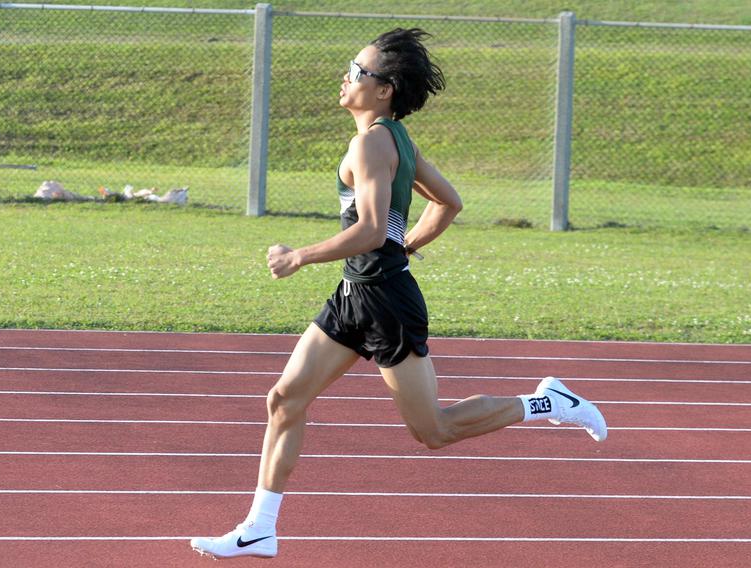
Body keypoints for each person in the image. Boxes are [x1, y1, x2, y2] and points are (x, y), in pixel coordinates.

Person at [191, 28, 607, 560]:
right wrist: (402, 244)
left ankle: (549, 402)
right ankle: (259, 528)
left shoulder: (371, 143)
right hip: (354, 293)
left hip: (385, 301)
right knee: (284, 400)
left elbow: (368, 229)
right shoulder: (397, 140)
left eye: (357, 71)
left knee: (434, 430)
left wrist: (301, 256)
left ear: (383, 89)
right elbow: (448, 202)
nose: (346, 77)